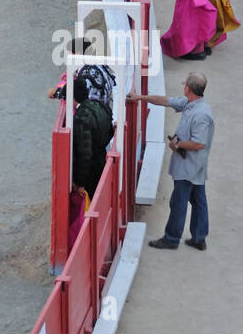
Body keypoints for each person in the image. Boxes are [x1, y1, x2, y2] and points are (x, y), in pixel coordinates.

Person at [129, 72, 214, 252]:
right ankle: (199, 238)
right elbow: (166, 101)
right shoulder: (192, 104)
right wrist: (142, 97)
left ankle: (172, 238)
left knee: (179, 201)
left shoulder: (200, 114)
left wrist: (177, 144)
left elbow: (199, 143)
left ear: (187, 88)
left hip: (188, 166)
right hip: (194, 166)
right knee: (199, 200)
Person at [72, 72, 114, 200]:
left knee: (91, 199)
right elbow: (110, 131)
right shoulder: (99, 104)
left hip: (91, 168)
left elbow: (85, 154)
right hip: (102, 156)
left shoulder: (81, 118)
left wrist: (80, 183)